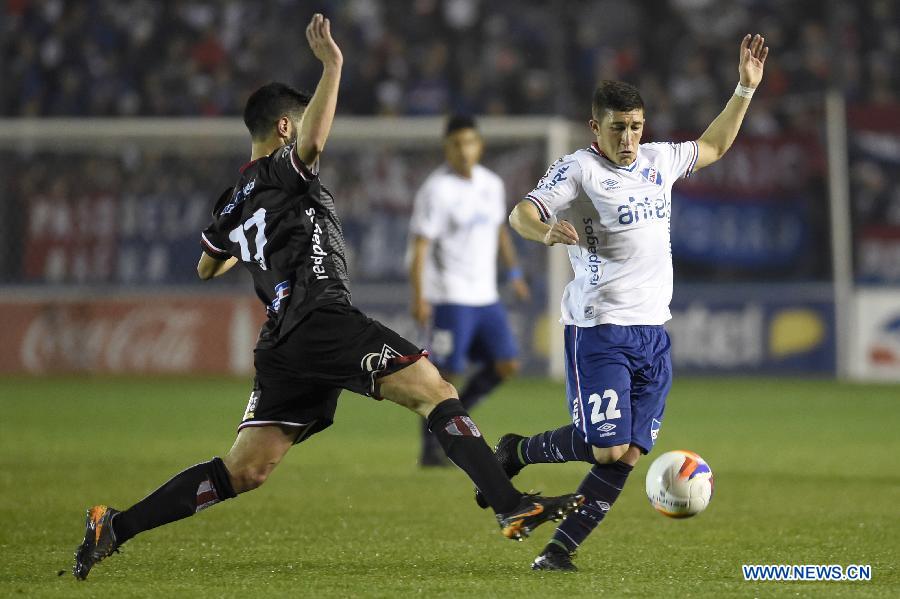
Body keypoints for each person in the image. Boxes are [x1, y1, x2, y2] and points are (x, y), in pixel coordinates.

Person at [72, 14, 582, 581]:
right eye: (299, 125)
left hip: (282, 340)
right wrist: (333, 65)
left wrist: (256, 243)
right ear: (284, 127)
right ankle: (510, 505)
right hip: (320, 316)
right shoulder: (282, 169)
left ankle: (112, 526)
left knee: (245, 471)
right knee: (433, 391)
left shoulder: (232, 198)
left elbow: (205, 266)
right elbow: (314, 142)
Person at [484, 34, 769, 571]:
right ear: (596, 127)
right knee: (606, 449)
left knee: (629, 454)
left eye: (636, 126)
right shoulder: (579, 169)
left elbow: (713, 147)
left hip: (653, 334)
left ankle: (558, 553)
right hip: (600, 328)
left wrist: (743, 91)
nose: (630, 138)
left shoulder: (660, 161)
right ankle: (518, 451)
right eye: (618, 128)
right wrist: (544, 232)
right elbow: (520, 212)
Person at [409, 115, 530, 466]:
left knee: (506, 364)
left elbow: (499, 231)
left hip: (486, 297)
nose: (464, 150)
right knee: (446, 375)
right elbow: (420, 247)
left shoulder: (491, 184)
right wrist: (419, 296)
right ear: (447, 148)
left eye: (470, 143)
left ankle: (458, 414)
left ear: (480, 145)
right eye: (457, 144)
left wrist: (515, 273)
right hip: (450, 297)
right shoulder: (436, 190)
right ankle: (431, 446)